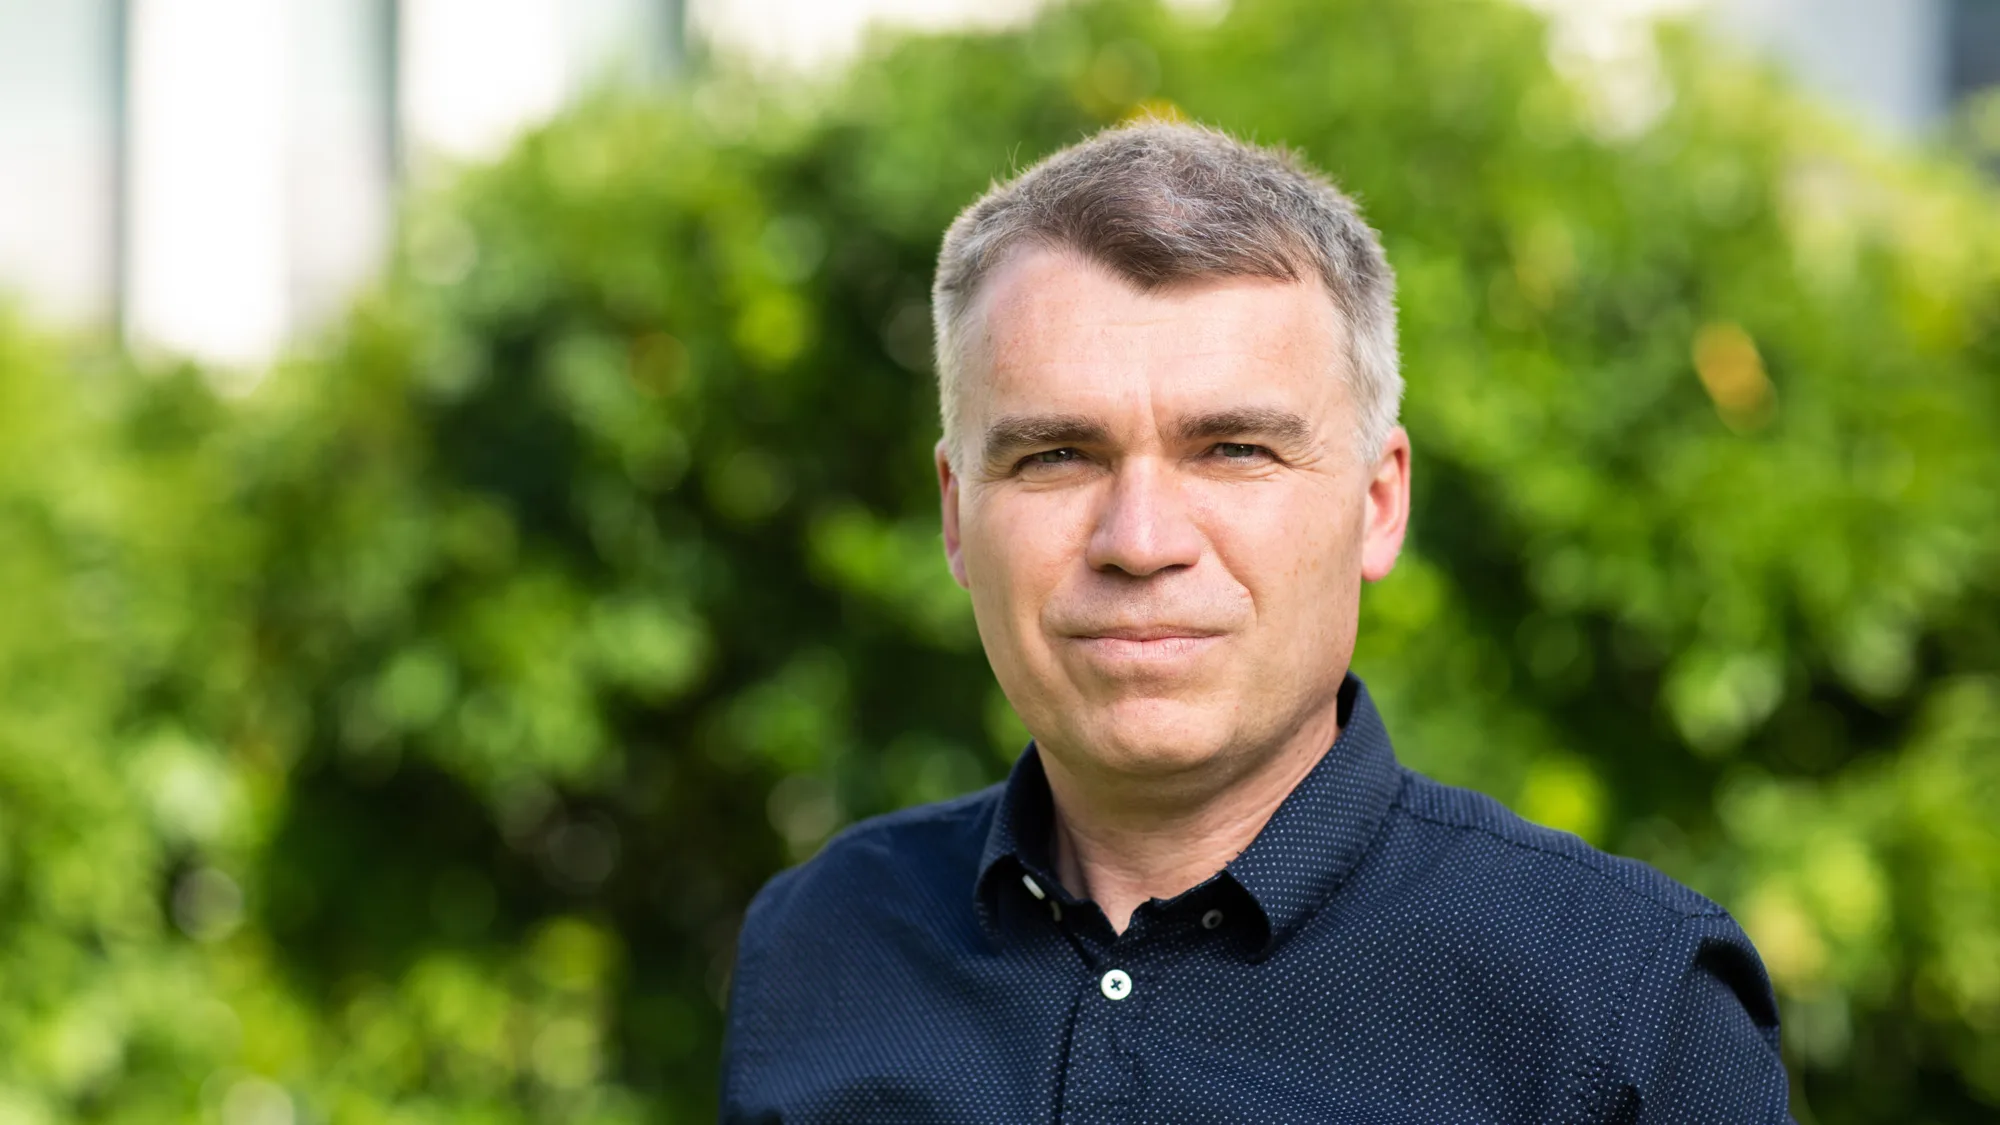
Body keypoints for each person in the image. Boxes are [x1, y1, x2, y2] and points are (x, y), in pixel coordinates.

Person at [719, 120, 1791, 1123]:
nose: (1138, 540)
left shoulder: (1626, 1013)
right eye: (1055, 455)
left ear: (1377, 503)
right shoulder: (818, 942)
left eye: (1233, 450)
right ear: (957, 516)